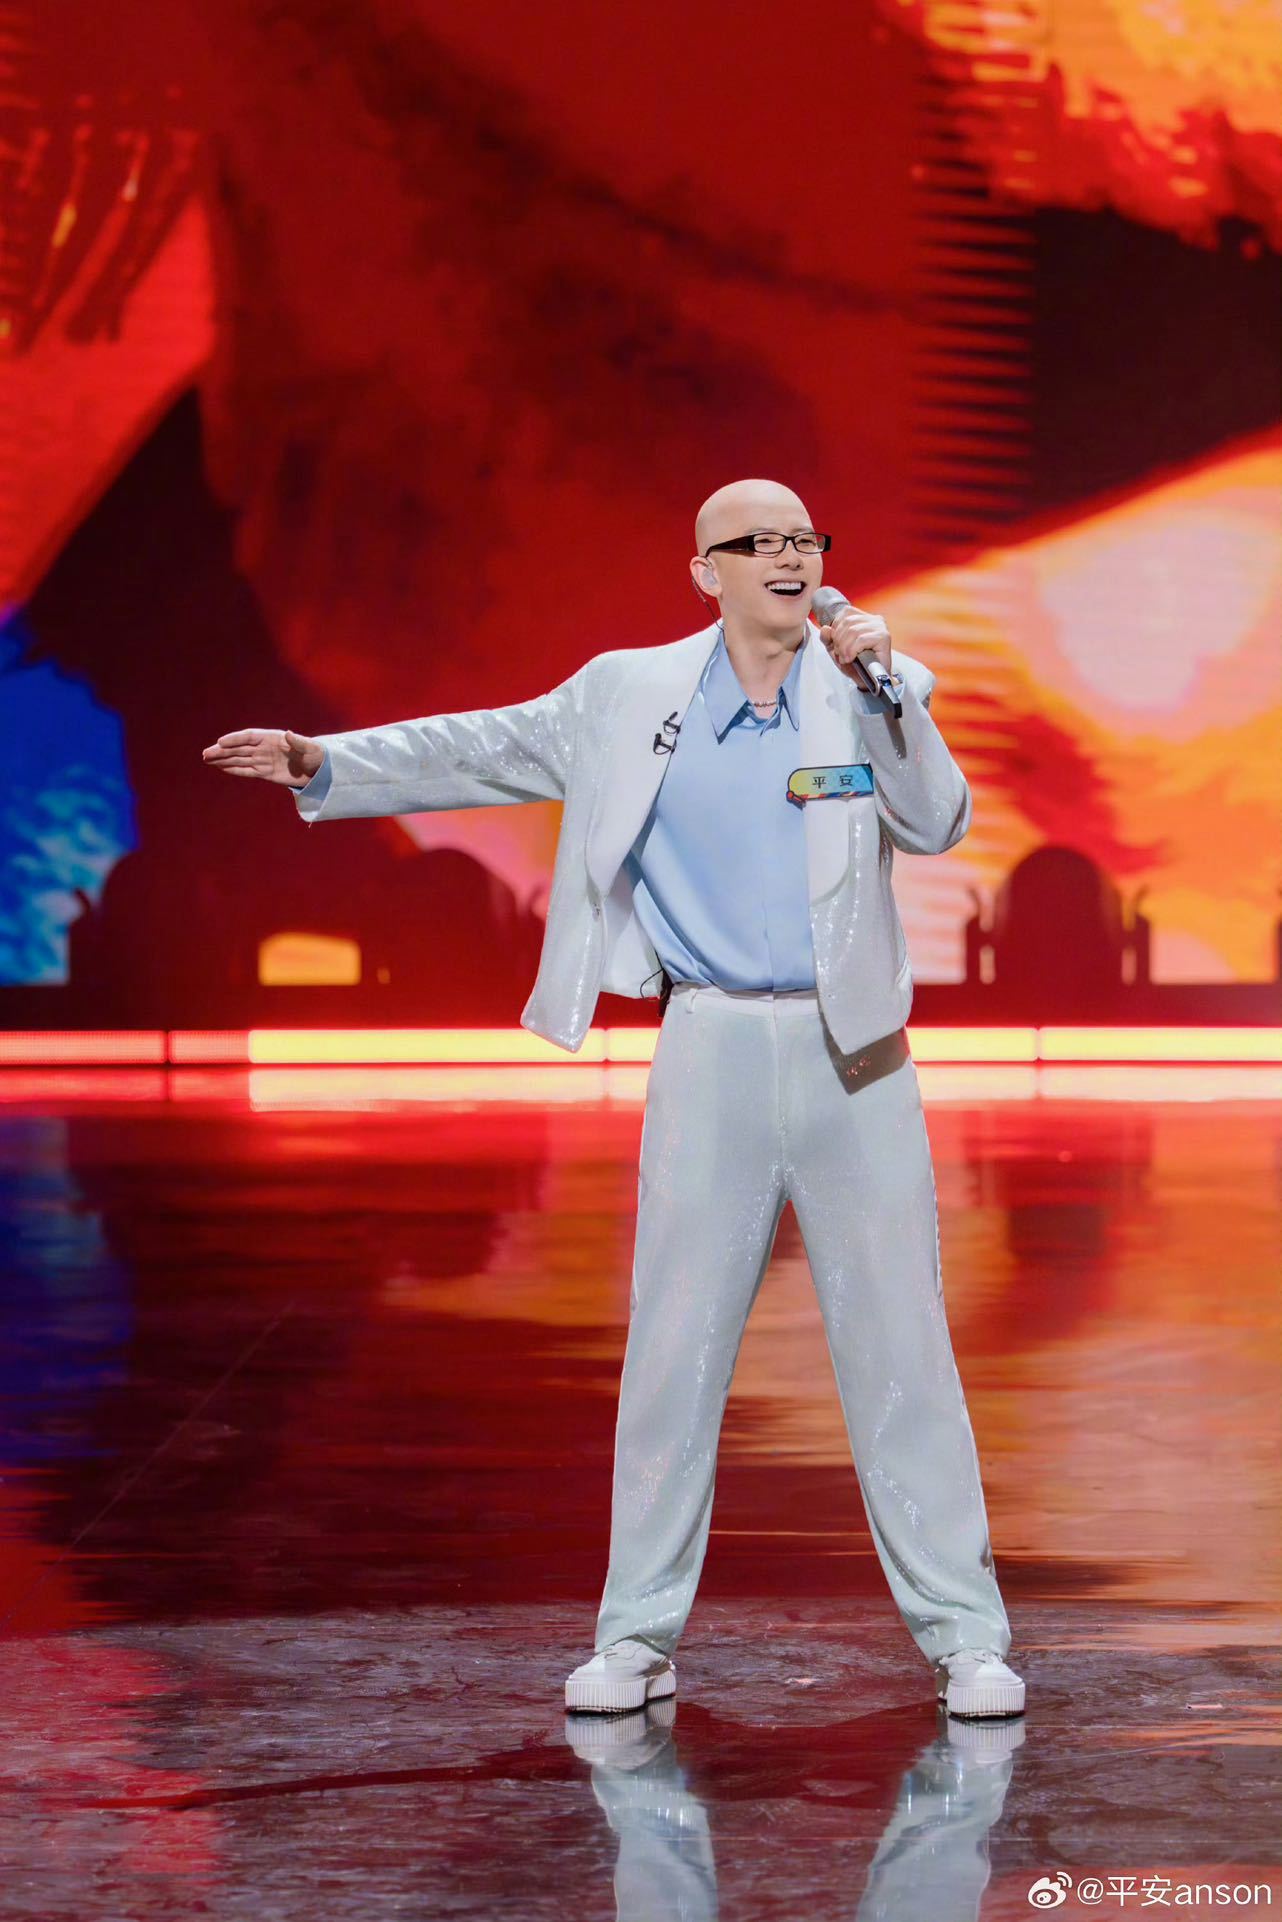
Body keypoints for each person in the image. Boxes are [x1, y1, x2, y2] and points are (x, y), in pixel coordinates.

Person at [202, 477, 1025, 1721]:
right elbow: (482, 747)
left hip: (854, 1052)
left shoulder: (868, 685)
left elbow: (940, 819)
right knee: (672, 1350)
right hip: (707, 1045)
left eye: (804, 538)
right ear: (706, 570)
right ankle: (635, 1638)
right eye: (760, 541)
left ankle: (966, 1637)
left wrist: (882, 690)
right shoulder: (629, 693)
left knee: (901, 1346)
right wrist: (330, 764)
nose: (790, 556)